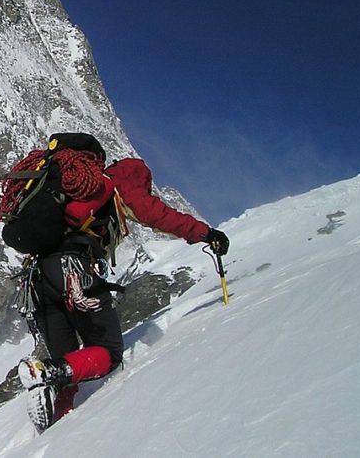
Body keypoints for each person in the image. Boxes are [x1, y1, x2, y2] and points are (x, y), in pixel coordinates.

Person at [15, 151, 229, 429]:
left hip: (37, 280)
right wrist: (206, 234)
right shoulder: (120, 184)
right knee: (108, 351)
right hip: (73, 271)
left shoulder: (68, 193)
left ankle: (57, 426)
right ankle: (46, 374)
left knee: (67, 361)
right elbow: (159, 215)